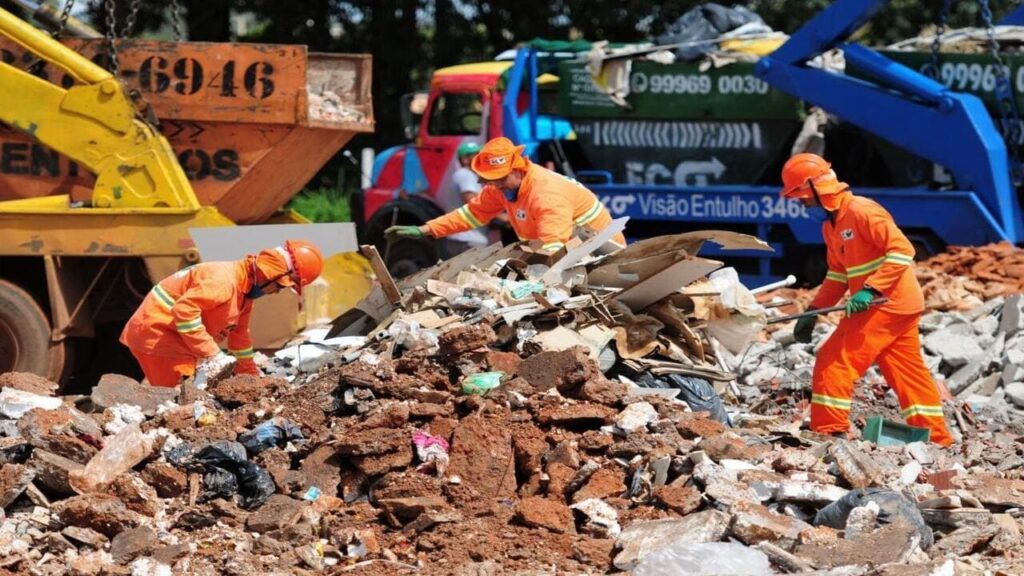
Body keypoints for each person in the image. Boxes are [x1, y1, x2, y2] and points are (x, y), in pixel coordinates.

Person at [781, 153, 953, 446]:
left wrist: (869, 290)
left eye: (802, 198)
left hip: (884, 304)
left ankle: (829, 432)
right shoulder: (830, 226)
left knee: (833, 361)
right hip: (897, 305)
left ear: (817, 191)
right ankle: (937, 439)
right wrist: (813, 310)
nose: (802, 204)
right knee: (907, 373)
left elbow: (902, 251)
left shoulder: (862, 211)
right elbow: (838, 274)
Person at [120, 240, 324, 387]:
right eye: (279, 287)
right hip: (158, 336)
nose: (276, 293)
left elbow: (240, 336)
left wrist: (250, 373)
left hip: (174, 338)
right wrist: (213, 355)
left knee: (192, 391)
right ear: (272, 276)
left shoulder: (244, 293)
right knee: (177, 399)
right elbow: (184, 311)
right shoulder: (224, 281)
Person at [385, 136, 625, 253]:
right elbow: (471, 215)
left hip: (599, 254)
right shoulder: (504, 186)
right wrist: (426, 230)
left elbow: (554, 247)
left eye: (499, 179)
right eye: (490, 180)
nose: (495, 185)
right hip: (573, 250)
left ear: (517, 168)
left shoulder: (546, 195)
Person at [443, 141, 490, 255]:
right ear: (465, 160)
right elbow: (474, 203)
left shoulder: (465, 176)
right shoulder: (466, 175)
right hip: (468, 241)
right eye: (477, 155)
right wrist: (504, 218)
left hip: (462, 239)